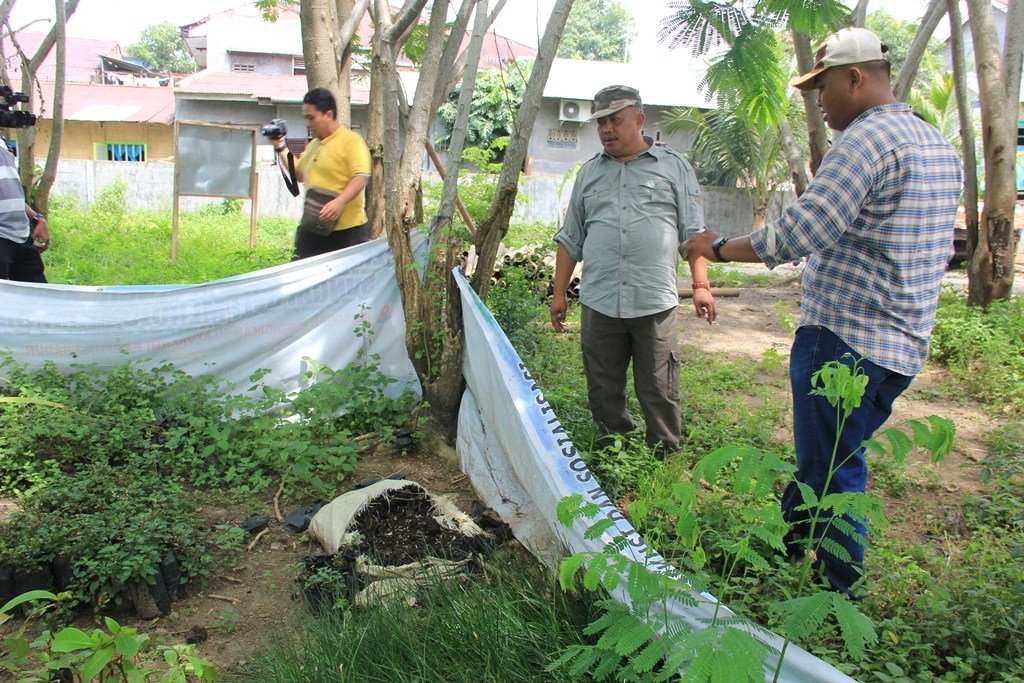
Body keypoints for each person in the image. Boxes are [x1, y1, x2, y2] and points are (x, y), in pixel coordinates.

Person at [684, 28, 962, 597]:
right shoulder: (936, 145)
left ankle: (842, 597)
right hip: (902, 345)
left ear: (854, 78)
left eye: (823, 87)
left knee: (835, 471)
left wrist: (715, 248)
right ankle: (777, 551)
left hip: (845, 340)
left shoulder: (866, 140)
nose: (819, 101)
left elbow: (803, 230)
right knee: (828, 457)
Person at [550, 85, 717, 457]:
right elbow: (571, 236)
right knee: (603, 386)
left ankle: (664, 456)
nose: (607, 129)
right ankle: (613, 452)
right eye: (601, 122)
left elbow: (694, 233)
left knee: (658, 386)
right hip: (600, 300)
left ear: (639, 120)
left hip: (654, 301)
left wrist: (701, 285)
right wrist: (559, 293)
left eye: (615, 120)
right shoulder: (589, 173)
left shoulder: (674, 167)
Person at [270, 87, 371, 259]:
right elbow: (299, 174)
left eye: (311, 118)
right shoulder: (313, 145)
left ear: (328, 115)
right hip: (313, 227)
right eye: (306, 118)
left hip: (347, 232)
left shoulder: (352, 141)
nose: (307, 123)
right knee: (301, 276)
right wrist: (280, 146)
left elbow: (361, 177)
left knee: (345, 284)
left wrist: (339, 202)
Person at [0, 138, 49, 282]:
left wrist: (37, 218)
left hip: (21, 237)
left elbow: (11, 194)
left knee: (38, 298)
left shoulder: (3, 145)